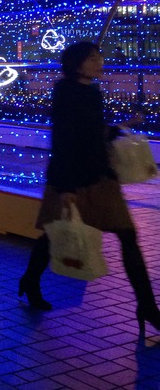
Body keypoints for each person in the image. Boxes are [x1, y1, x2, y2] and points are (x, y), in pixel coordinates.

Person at [18, 41, 160, 334]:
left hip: (101, 177)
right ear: (77, 64)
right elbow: (65, 141)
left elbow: (94, 134)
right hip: (71, 177)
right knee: (55, 234)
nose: (99, 61)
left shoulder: (92, 92)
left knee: (128, 237)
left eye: (99, 56)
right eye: (92, 58)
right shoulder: (66, 92)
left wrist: (123, 126)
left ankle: (147, 306)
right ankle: (31, 280)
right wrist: (67, 186)